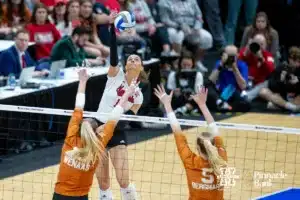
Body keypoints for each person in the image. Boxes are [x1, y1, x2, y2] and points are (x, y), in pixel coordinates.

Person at [53, 68, 139, 200]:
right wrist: (128, 93)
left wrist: (82, 81)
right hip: (81, 197)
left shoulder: (71, 138)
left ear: (79, 128)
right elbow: (115, 116)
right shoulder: (98, 147)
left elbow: (79, 105)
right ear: (96, 132)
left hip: (60, 195)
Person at [95, 16, 149, 200]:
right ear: (125, 65)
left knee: (124, 180)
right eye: (130, 59)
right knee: (103, 184)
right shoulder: (115, 74)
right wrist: (112, 28)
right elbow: (112, 56)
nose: (133, 60)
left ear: (141, 67)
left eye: (137, 59)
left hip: (115, 131)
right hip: (97, 129)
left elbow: (125, 117)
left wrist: (108, 126)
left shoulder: (138, 96)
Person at [154, 85, 227, 200]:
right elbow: (214, 128)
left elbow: (177, 131)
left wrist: (167, 104)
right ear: (214, 146)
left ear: (197, 148)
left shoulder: (190, 161)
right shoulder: (221, 159)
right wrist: (202, 105)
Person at [207, 45, 249, 112]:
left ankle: (222, 104)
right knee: (207, 88)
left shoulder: (242, 65)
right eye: (229, 56)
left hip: (234, 94)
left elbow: (243, 86)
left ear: (237, 55)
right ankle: (221, 103)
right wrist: (221, 65)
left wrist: (235, 68)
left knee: (244, 102)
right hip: (220, 93)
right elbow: (211, 81)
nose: (230, 58)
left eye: (233, 56)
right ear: (224, 55)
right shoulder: (219, 63)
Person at [259, 46, 300, 112]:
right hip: (282, 97)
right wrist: (281, 81)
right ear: (290, 59)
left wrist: (298, 81)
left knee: (271, 105)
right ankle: (291, 107)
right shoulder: (281, 67)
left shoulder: (299, 69)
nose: (298, 64)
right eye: (296, 61)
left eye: (299, 62)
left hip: (295, 98)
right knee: (263, 91)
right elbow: (272, 85)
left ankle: (281, 107)